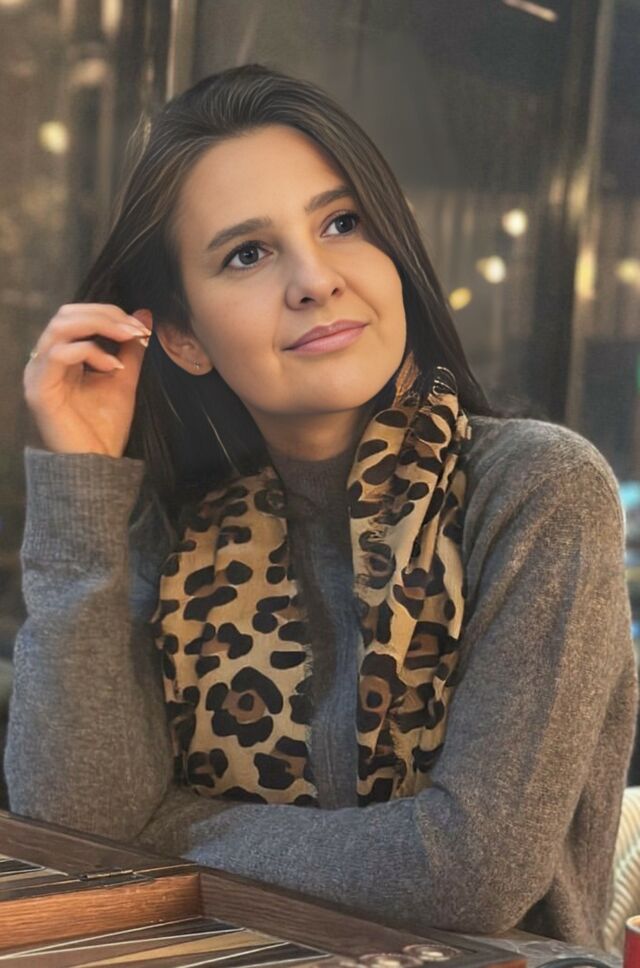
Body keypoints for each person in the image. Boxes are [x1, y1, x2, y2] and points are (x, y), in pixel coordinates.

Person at [5, 63, 637, 949]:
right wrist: (80, 480)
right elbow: (72, 831)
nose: (315, 279)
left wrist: (160, 832)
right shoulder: (180, 533)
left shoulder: (534, 489)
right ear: (182, 336)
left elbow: (468, 872)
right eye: (247, 254)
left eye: (342, 223)